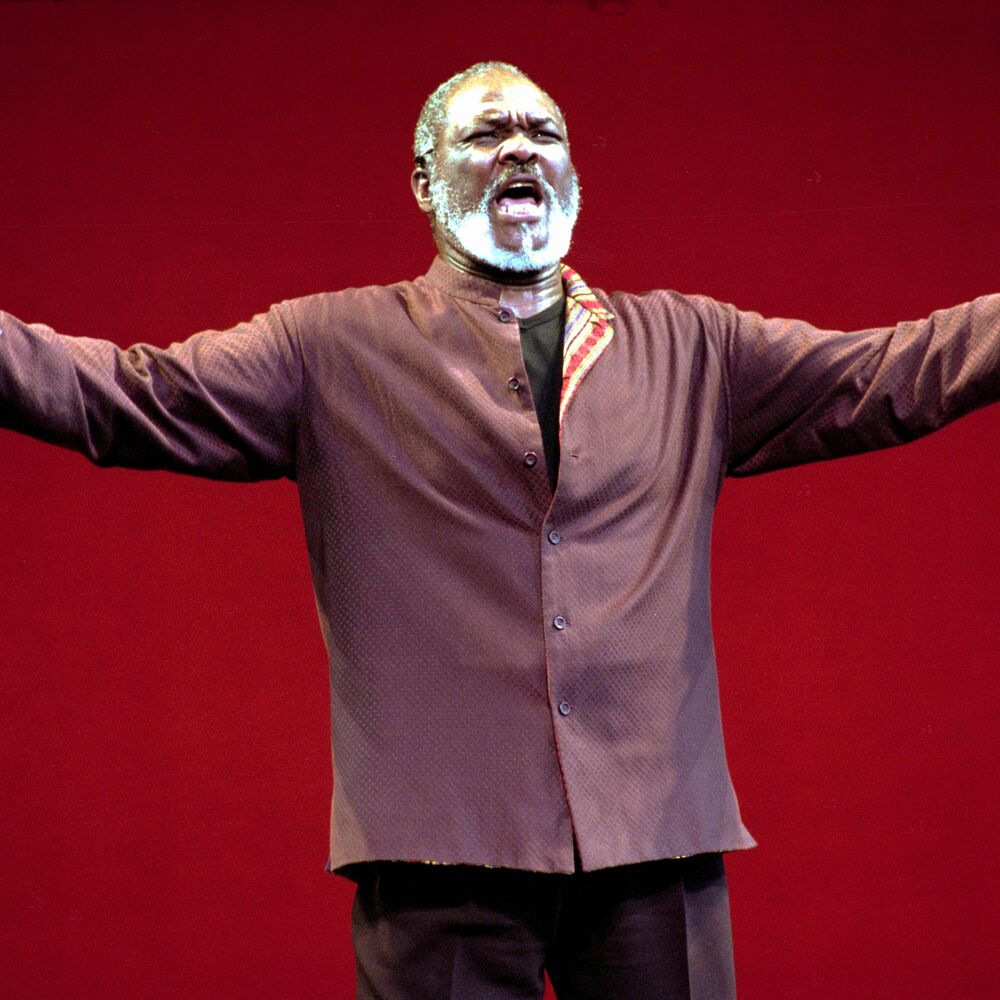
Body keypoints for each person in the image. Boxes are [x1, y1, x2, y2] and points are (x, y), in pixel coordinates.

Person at [1, 60, 997, 999]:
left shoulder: (691, 345)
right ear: (424, 182)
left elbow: (891, 374)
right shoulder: (331, 345)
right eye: (487, 133)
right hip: (444, 848)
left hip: (653, 832)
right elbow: (129, 395)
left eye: (543, 132)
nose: (522, 147)